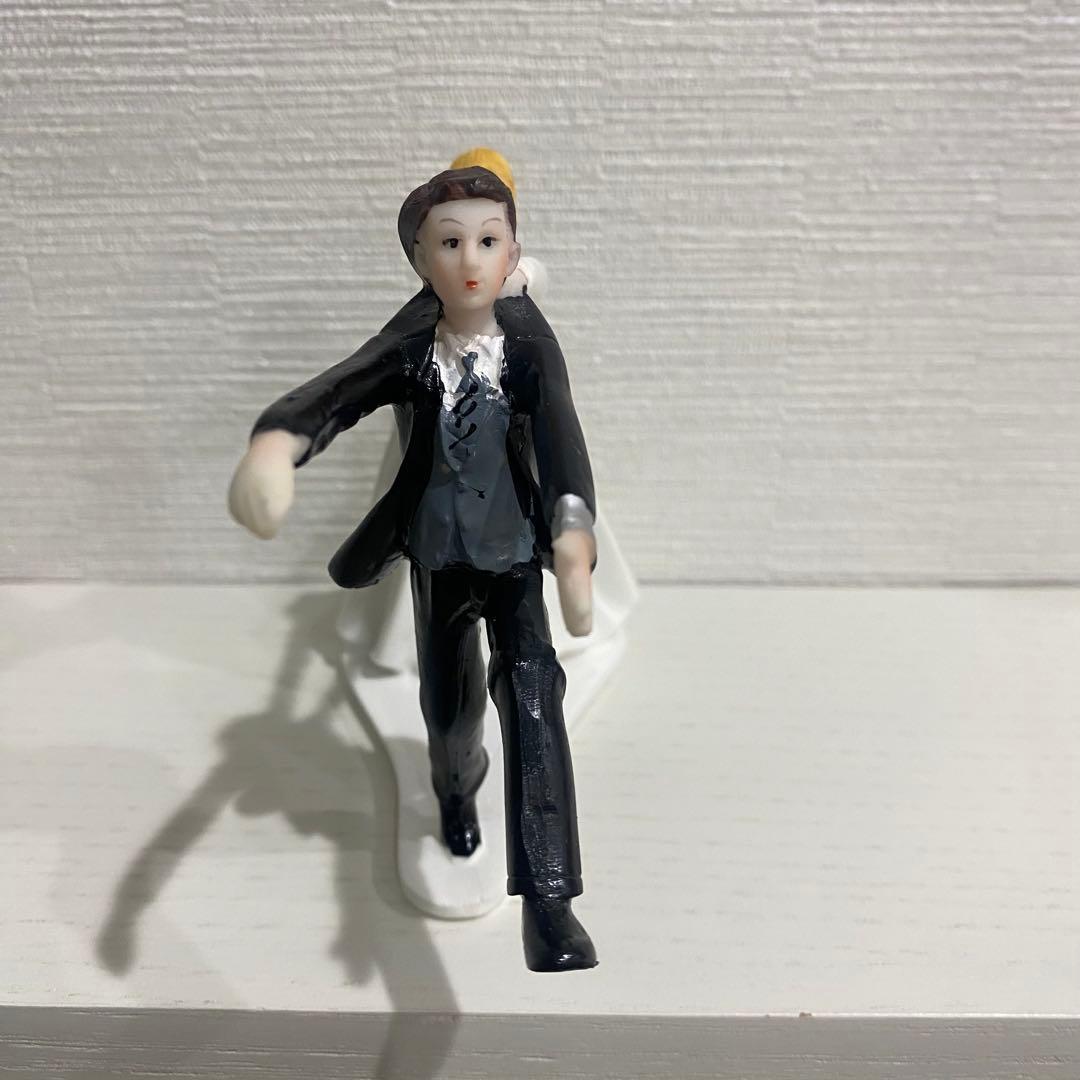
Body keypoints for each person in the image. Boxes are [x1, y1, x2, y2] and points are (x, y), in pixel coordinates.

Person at [229, 163, 598, 972]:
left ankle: (549, 901)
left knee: (535, 695)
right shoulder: (413, 342)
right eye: (450, 243)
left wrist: (573, 537)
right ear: (422, 260)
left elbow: (561, 430)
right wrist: (276, 445)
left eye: (489, 241)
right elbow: (340, 387)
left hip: (515, 558)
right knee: (450, 711)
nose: (471, 260)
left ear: (513, 253)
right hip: (438, 556)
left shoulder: (528, 343)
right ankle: (455, 790)